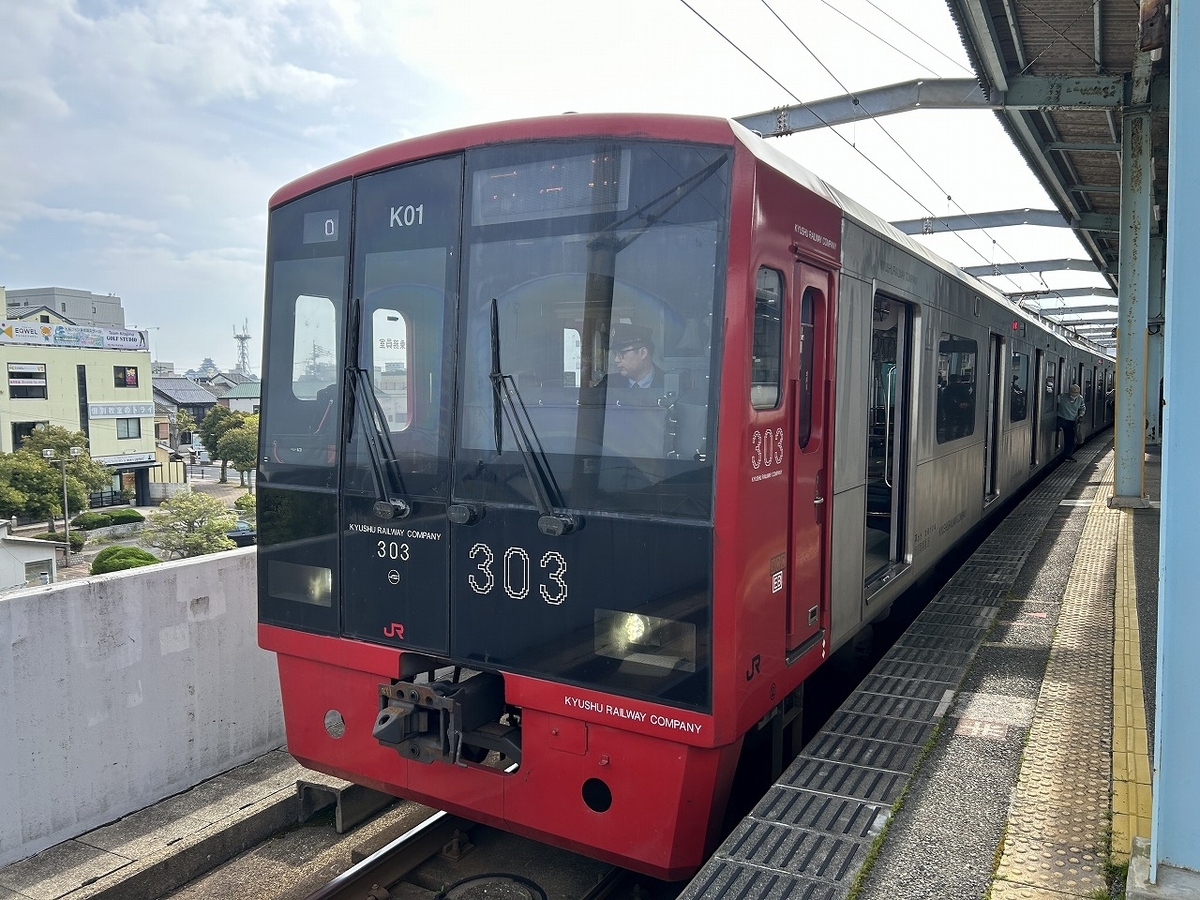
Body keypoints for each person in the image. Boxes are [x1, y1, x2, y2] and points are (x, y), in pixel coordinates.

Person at [610, 324, 664, 390]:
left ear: (643, 353)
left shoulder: (668, 383)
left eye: (622, 353)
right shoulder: (609, 383)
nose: (616, 360)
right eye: (615, 354)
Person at [1056, 383, 1086, 461]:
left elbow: (1082, 408)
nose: (1074, 395)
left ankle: (1067, 455)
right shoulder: (1062, 397)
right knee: (1069, 437)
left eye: (1076, 393)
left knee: (1070, 439)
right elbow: (1054, 403)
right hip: (1061, 418)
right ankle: (1066, 454)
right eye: (1073, 393)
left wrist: (1081, 415)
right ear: (1069, 392)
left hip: (1071, 420)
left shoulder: (1080, 398)